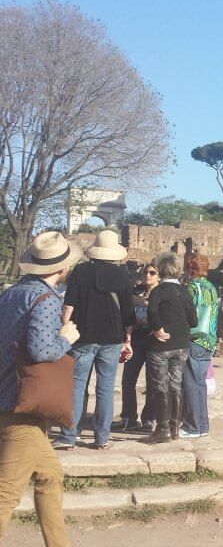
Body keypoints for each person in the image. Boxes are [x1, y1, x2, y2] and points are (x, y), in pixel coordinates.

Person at [0, 231, 81, 546]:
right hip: (24, 407)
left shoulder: (9, 293)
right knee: (6, 493)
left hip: (7, 395)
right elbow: (40, 350)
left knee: (50, 475)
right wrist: (67, 338)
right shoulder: (46, 298)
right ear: (62, 269)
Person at [54, 230, 135, 451]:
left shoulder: (81, 271)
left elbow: (69, 304)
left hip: (82, 337)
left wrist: (64, 329)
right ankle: (102, 438)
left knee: (77, 386)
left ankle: (69, 436)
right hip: (113, 337)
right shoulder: (123, 275)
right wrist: (128, 339)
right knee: (106, 388)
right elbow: (128, 312)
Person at [145, 252, 198, 443]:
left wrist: (158, 328)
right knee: (176, 384)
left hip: (161, 345)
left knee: (161, 385)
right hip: (181, 344)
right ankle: (175, 427)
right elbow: (193, 320)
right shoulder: (184, 292)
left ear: (160, 270)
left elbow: (151, 311)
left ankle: (163, 428)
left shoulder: (158, 291)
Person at [111, 260, 159, 433]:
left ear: (159, 276)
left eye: (152, 273)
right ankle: (128, 417)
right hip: (136, 338)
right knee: (128, 380)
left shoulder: (162, 293)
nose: (148, 275)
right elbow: (126, 313)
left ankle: (148, 418)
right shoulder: (135, 291)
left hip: (153, 340)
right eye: (146, 272)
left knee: (152, 382)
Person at [181, 254, 218, 438]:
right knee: (200, 384)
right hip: (209, 339)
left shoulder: (192, 288)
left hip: (194, 338)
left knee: (191, 383)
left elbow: (187, 314)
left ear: (189, 269)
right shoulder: (211, 287)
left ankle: (192, 426)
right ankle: (203, 425)